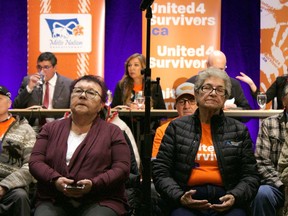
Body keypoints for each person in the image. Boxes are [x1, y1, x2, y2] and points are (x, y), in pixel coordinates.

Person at [152, 68, 260, 216]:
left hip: (227, 198)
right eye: (207, 88)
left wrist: (235, 196)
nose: (213, 93)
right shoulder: (176, 128)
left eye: (220, 90)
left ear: (225, 98)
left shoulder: (238, 131)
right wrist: (179, 197)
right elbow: (161, 171)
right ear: (197, 94)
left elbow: (251, 175)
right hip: (186, 197)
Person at [29, 75, 131, 216]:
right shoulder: (50, 128)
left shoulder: (113, 131)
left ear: (102, 104)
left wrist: (94, 184)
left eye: (91, 93)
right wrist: (55, 180)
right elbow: (35, 161)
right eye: (78, 91)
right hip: (55, 198)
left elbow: (122, 167)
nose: (82, 96)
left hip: (100, 198)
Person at [0, 85, 36, 216]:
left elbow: (31, 166)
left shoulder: (25, 129)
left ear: (9, 103)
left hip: (11, 186)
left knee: (19, 196)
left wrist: (4, 186)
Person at [252, 84, 288, 216]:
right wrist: (283, 185)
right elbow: (261, 162)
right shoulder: (269, 123)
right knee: (262, 194)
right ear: (284, 100)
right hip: (278, 184)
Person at [13, 52, 72, 127]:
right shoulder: (28, 81)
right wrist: (29, 88)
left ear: (55, 68)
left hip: (59, 127)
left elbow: (72, 112)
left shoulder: (68, 84)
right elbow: (16, 106)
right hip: (33, 127)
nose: (42, 71)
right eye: (39, 67)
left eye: (46, 67)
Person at [187, 50, 251, 110]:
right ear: (207, 65)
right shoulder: (192, 83)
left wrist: (231, 109)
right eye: (214, 69)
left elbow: (246, 110)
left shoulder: (233, 84)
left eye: (221, 69)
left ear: (225, 67)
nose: (217, 73)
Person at [152, 82, 197, 159]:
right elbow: (156, 161)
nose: (186, 106)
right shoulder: (163, 130)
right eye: (182, 101)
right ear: (176, 105)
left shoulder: (207, 127)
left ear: (199, 104)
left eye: (192, 101)